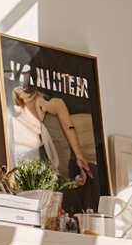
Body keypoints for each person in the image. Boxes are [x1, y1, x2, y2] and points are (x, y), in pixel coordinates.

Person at [12, 81, 97, 210]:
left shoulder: (44, 104)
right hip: (60, 159)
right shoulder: (25, 120)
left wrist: (79, 156)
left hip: (76, 145)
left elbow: (67, 123)